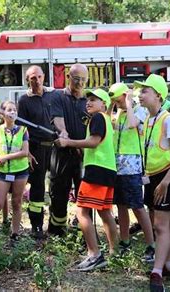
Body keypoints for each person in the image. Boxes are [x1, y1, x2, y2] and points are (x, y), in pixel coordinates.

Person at [56, 88, 118, 271]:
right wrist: (79, 147)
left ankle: (94, 255)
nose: (88, 102)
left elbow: (93, 141)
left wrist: (69, 142)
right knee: (105, 212)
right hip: (107, 170)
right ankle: (115, 253)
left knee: (81, 211)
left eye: (94, 99)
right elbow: (94, 144)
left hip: (97, 170)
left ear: (104, 104)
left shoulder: (98, 118)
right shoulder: (105, 119)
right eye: (88, 99)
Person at [135, 74, 170, 291]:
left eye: (145, 91)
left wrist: (165, 183)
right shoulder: (148, 119)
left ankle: (157, 272)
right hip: (152, 176)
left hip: (166, 176)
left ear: (158, 95)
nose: (140, 94)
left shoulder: (168, 119)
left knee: (160, 225)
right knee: (161, 223)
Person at [108, 83, 155, 262]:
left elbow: (132, 124)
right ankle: (125, 240)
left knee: (137, 206)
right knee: (120, 205)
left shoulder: (138, 111)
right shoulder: (118, 112)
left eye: (118, 99)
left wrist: (127, 102)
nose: (117, 103)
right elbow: (107, 125)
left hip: (132, 166)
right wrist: (112, 106)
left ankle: (151, 243)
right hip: (117, 165)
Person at [17, 65, 57, 239]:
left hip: (56, 147)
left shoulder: (53, 95)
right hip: (36, 148)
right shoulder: (24, 100)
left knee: (58, 186)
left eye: (39, 77)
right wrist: (27, 152)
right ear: (28, 80)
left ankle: (57, 225)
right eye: (33, 78)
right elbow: (21, 129)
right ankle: (37, 226)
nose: (37, 80)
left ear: (44, 77)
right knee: (38, 187)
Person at [50, 63, 89, 236]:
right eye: (76, 79)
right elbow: (58, 119)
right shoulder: (58, 97)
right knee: (59, 192)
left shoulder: (89, 100)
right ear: (68, 77)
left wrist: (83, 146)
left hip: (85, 156)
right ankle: (57, 230)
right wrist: (63, 132)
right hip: (62, 155)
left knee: (85, 193)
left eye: (83, 80)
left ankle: (83, 230)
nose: (80, 83)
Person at [0, 100, 29, 242]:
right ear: (2, 113)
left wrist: (5, 157)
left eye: (15, 110)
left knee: (16, 202)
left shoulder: (23, 130)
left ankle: (15, 234)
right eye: (9, 110)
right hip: (3, 172)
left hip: (20, 171)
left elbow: (25, 151)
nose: (13, 112)